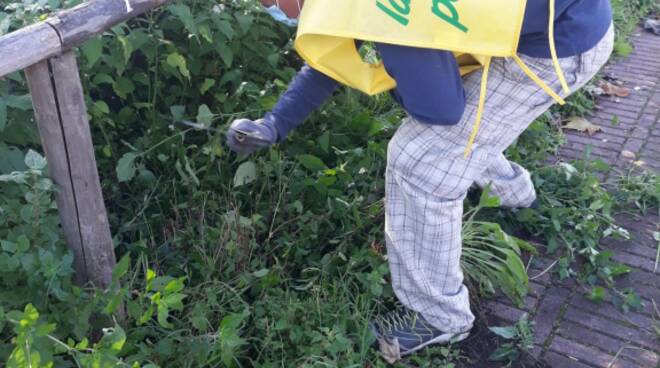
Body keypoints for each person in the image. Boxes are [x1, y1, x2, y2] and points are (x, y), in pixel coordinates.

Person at [226, 0, 614, 359]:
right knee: (462, 135)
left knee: (422, 160)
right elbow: (345, 30)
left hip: (555, 45)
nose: (278, 10)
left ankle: (439, 317)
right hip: (541, 24)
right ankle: (514, 192)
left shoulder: (394, 10)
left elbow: (440, 110)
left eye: (275, 1)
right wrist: (275, 123)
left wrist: (401, 61)